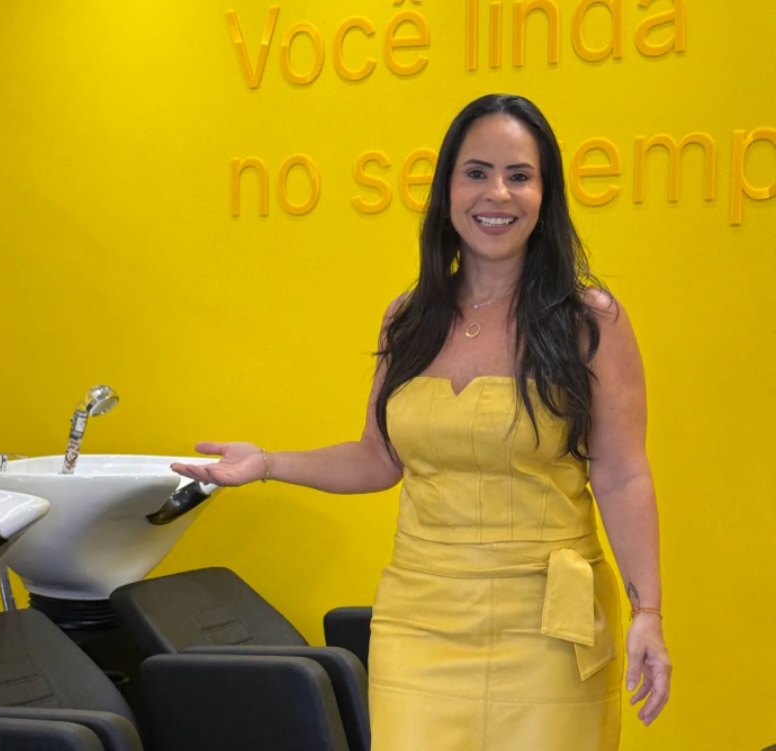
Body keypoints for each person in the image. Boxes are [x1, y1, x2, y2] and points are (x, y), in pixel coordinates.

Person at [170, 93, 671, 750]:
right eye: (477, 172)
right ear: (447, 189)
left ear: (545, 193)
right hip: (420, 621)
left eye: (519, 175)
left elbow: (623, 473)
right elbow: (378, 458)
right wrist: (266, 463)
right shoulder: (409, 317)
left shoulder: (588, 319)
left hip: (549, 628)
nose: (497, 193)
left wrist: (647, 611)